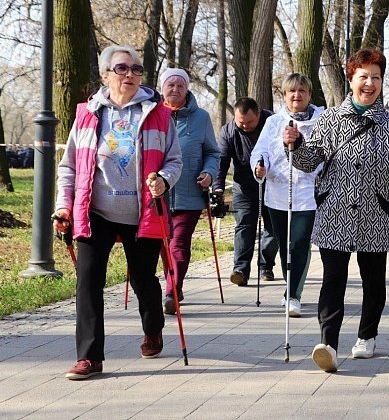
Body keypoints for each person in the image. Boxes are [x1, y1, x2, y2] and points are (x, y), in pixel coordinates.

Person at [282, 48, 389, 373]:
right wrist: (294, 145)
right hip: (334, 214)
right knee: (333, 279)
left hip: (375, 214)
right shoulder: (331, 120)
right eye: (363, 76)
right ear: (351, 79)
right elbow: (308, 162)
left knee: (373, 281)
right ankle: (328, 344)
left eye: (376, 77)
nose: (370, 83)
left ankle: (367, 335)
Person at [53, 45, 183, 380]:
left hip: (141, 213)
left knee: (143, 279)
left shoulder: (158, 114)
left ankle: (153, 329)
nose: (130, 75)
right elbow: (69, 166)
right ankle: (89, 357)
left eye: (136, 69)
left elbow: (174, 160)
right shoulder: (87, 114)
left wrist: (164, 181)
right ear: (105, 74)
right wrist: (63, 206)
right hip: (95, 211)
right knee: (88, 281)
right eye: (122, 68)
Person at [251, 73, 324, 317]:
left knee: (300, 243)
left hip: (307, 194)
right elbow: (260, 152)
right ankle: (289, 287)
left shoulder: (321, 121)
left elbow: (325, 156)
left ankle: (294, 294)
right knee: (285, 245)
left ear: (309, 95)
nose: (297, 95)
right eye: (292, 91)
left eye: (302, 91)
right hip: (278, 194)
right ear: (284, 95)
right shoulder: (274, 122)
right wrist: (260, 166)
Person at [159, 68, 220, 315]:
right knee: (162, 245)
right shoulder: (153, 114)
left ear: (186, 89)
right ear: (162, 88)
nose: (175, 89)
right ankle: (174, 284)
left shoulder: (201, 118)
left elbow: (213, 152)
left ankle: (171, 291)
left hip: (190, 194)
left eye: (180, 86)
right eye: (170, 85)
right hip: (156, 194)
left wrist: (209, 173)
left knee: (179, 244)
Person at [213, 97, 278, 286]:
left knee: (272, 228)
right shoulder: (228, 131)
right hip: (243, 186)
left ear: (258, 114)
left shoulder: (272, 123)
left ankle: (266, 265)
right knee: (244, 225)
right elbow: (222, 160)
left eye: (249, 122)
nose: (244, 126)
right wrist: (218, 186)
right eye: (240, 122)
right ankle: (240, 269)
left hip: (271, 185)